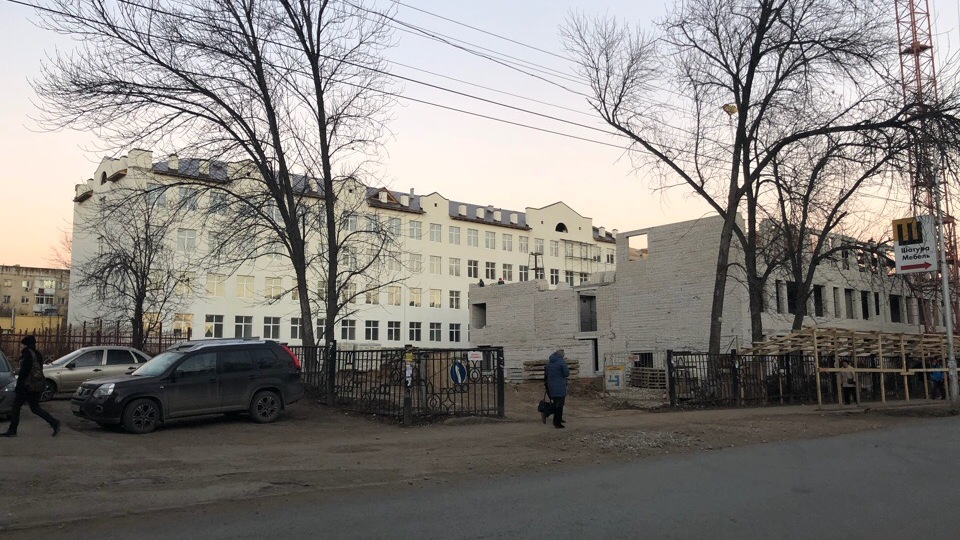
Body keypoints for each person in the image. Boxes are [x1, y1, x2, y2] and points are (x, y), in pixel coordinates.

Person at [2, 335, 60, 437]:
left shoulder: (27, 354)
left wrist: (18, 386)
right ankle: (54, 422)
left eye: (23, 345)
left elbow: (24, 372)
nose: (21, 347)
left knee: (16, 407)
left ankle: (12, 430)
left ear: (26, 345)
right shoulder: (37, 354)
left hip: (26, 386)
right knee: (34, 407)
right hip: (36, 385)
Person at [543, 348, 570, 429]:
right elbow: (566, 373)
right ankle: (556, 421)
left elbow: (546, 374)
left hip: (551, 385)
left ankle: (558, 418)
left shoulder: (549, 363)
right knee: (559, 404)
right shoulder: (561, 362)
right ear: (561, 355)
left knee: (556, 402)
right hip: (560, 385)